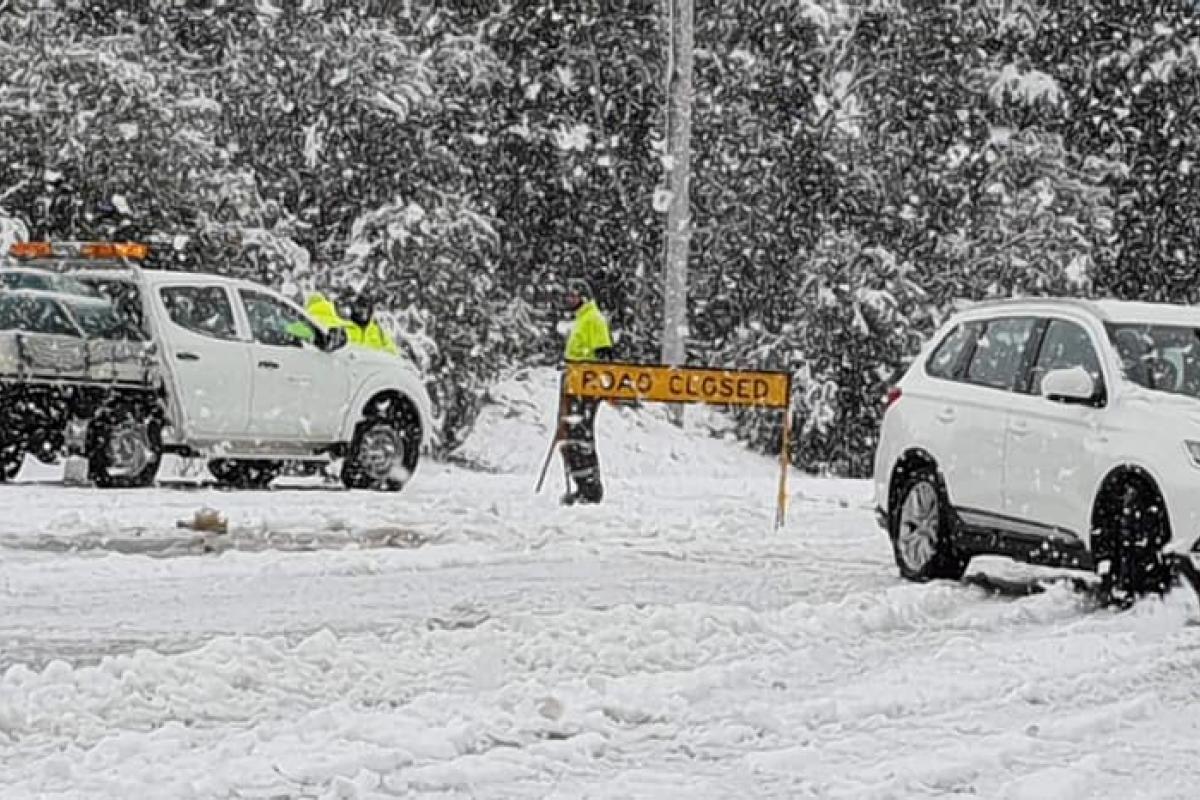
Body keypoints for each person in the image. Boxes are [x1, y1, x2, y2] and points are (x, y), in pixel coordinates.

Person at [560, 278, 613, 505]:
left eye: (572, 296)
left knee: (581, 437)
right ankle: (582, 485)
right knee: (572, 437)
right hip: (575, 386)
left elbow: (604, 355)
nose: (568, 300)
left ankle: (591, 488)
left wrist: (594, 383)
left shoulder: (593, 319)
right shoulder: (582, 319)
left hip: (587, 389)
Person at [305, 288, 399, 355]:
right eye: (358, 307)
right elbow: (317, 324)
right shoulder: (340, 323)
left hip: (372, 378)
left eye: (366, 307)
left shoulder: (378, 331)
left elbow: (394, 356)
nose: (363, 312)